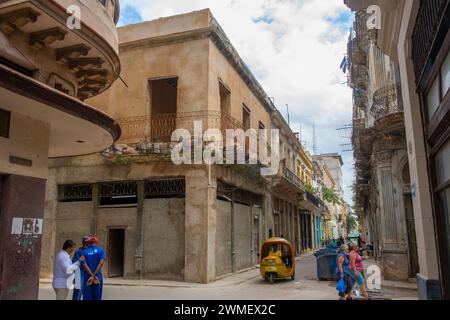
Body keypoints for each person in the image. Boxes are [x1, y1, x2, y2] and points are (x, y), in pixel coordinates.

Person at [72, 236, 91, 300]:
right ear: (83, 242)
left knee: (87, 293)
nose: (86, 244)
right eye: (85, 242)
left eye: (88, 242)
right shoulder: (78, 252)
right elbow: (74, 264)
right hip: (79, 275)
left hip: (87, 274)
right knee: (78, 293)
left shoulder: (90, 252)